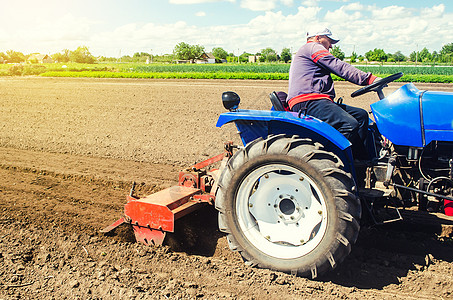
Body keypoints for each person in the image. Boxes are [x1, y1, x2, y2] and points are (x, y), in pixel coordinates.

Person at [287, 28, 380, 159]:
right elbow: (338, 66)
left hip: (315, 100)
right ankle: (332, 162)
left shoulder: (307, 49)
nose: (330, 45)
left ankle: (362, 161)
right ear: (318, 37)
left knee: (361, 116)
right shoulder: (312, 47)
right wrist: (369, 79)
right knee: (348, 125)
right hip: (308, 101)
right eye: (329, 40)